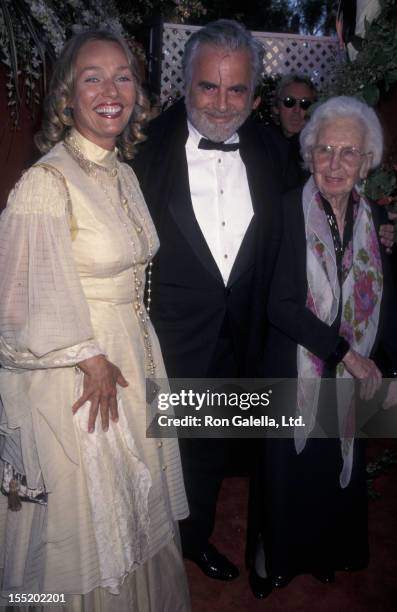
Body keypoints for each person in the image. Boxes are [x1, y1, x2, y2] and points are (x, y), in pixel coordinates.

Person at [0, 30, 190, 611]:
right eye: (93, 76)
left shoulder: (122, 173)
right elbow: (14, 303)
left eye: (123, 76)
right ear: (67, 93)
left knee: (133, 515)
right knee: (83, 526)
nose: (111, 90)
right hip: (79, 379)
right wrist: (90, 358)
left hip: (131, 360)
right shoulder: (45, 183)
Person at [131, 19, 283, 581]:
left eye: (236, 89)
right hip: (162, 336)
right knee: (144, 461)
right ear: (184, 84)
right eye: (208, 87)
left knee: (208, 454)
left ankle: (192, 540)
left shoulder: (272, 152)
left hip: (238, 337)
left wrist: (381, 225)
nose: (222, 104)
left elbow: (309, 217)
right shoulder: (142, 149)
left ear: (254, 95)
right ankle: (140, 554)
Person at [248, 96, 397, 599]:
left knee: (327, 465)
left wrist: (382, 362)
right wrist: (345, 354)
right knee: (286, 472)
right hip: (295, 364)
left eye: (348, 153)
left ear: (366, 161)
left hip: (348, 373)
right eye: (325, 150)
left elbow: (383, 295)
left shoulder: (374, 217)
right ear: (309, 152)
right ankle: (276, 559)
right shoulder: (285, 210)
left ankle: (317, 553)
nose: (335, 164)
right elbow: (280, 304)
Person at [263, 74, 317, 190]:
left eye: (305, 103)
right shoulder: (262, 142)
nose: (296, 110)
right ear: (277, 107)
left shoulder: (317, 149)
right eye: (289, 101)